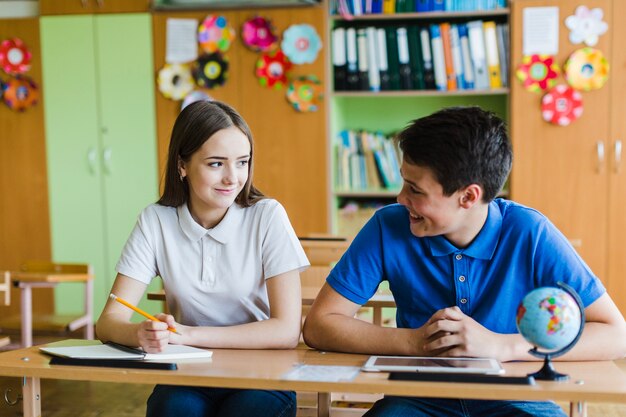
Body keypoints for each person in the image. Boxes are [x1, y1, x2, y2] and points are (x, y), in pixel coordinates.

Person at [303, 106, 626, 417]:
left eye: (415, 190)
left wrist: (503, 347)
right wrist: (416, 343)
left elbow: (616, 334)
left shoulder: (530, 232)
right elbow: (320, 325)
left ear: (468, 197)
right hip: (419, 400)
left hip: (517, 397)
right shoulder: (388, 226)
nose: (401, 199)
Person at [96, 100, 308, 417]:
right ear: (182, 165)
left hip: (261, 374)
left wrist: (189, 334)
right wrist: (139, 333)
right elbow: (108, 322)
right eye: (215, 164)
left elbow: (287, 330)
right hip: (188, 372)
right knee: (171, 411)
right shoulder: (155, 221)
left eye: (242, 162)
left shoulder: (268, 216)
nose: (232, 178)